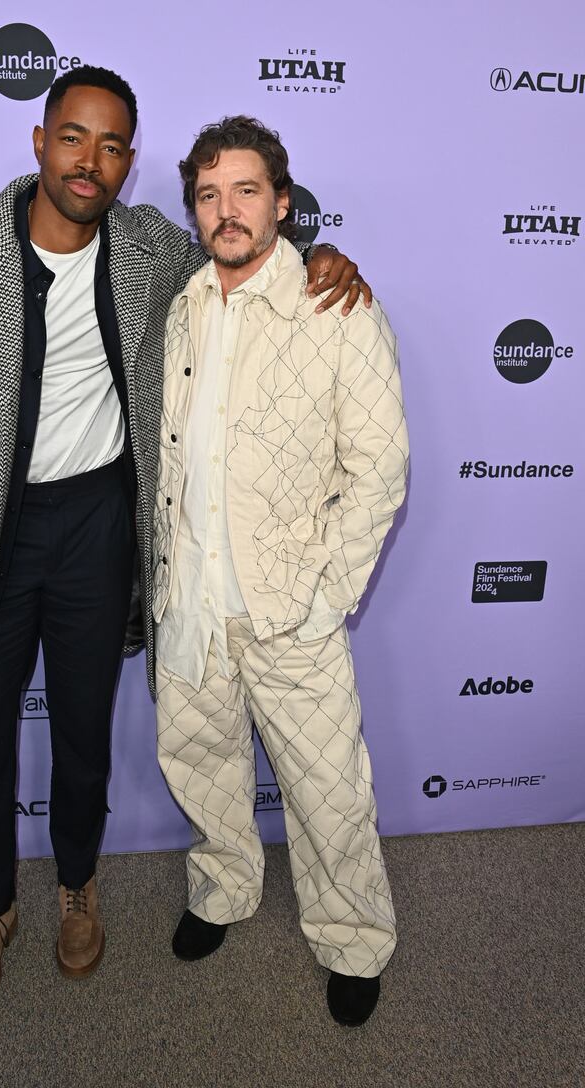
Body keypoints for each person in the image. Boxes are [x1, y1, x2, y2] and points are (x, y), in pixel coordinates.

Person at [0, 66, 370, 1016]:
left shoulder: (149, 249)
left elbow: (245, 247)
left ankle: (76, 887)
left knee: (82, 727)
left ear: (129, 163)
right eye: (73, 138)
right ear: (39, 143)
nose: (90, 161)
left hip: (101, 521)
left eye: (111, 146)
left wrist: (320, 251)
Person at [153, 116, 408, 1026]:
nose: (228, 211)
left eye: (247, 191)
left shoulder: (339, 306)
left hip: (288, 604)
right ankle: (222, 890)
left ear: (282, 204)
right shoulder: (179, 304)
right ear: (194, 209)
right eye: (210, 194)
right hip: (189, 595)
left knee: (329, 786)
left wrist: (325, 593)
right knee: (201, 763)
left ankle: (352, 939)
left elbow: (380, 468)